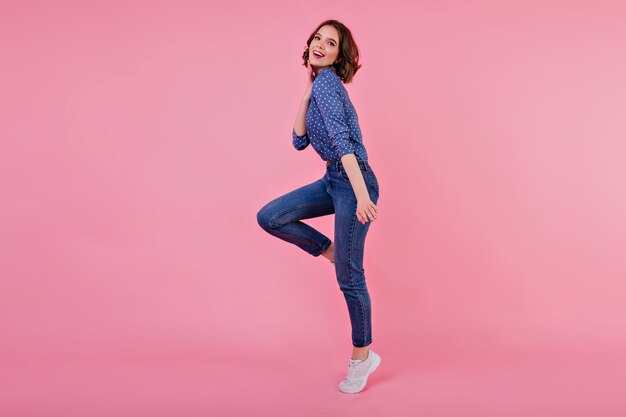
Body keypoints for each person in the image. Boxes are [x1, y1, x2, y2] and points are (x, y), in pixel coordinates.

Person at [256, 20, 381, 394]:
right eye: (318, 38)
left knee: (350, 277)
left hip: (353, 178)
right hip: (333, 179)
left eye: (332, 43)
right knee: (271, 216)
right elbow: (298, 141)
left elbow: (343, 143)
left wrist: (361, 196)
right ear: (310, 42)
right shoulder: (320, 86)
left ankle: (363, 357)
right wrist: (305, 96)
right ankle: (328, 250)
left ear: (340, 55)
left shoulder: (329, 84)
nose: (321, 45)